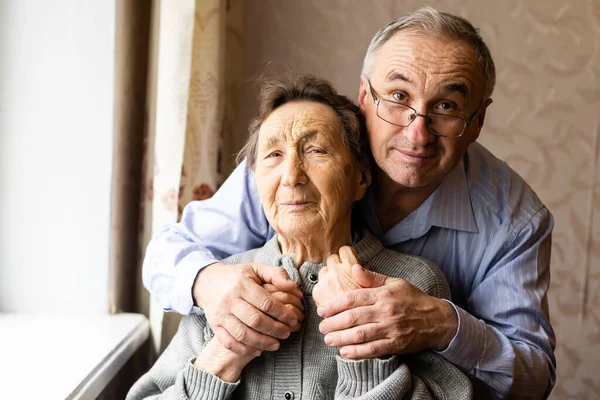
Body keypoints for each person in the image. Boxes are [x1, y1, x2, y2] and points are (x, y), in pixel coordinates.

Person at [142, 7, 556, 399]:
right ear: (365, 96)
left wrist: (436, 324)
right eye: (398, 96)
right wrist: (211, 288)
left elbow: (532, 379)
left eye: (446, 106)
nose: (418, 134)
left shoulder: (508, 223)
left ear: (477, 120)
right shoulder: (279, 174)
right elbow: (166, 255)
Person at [129, 75, 473, 399]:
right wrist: (223, 355)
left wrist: (363, 347)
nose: (291, 176)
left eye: (316, 151)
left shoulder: (416, 284)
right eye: (273, 155)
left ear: (361, 178)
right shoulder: (225, 288)